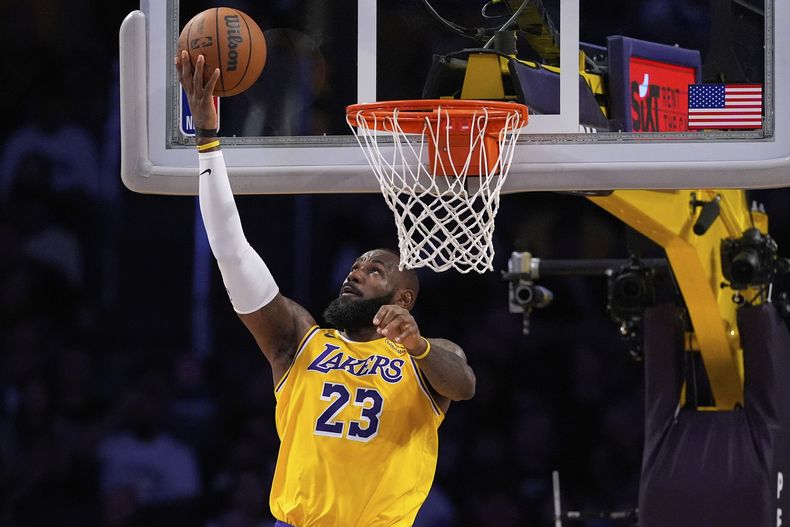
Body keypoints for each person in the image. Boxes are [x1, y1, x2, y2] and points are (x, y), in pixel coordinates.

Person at [175, 51, 476, 527]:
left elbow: (463, 386)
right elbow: (231, 251)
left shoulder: (427, 357)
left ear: (404, 299)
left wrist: (418, 346)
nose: (355, 273)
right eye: (355, 266)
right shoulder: (299, 339)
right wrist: (208, 141)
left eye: (374, 270)